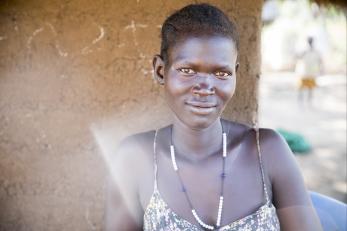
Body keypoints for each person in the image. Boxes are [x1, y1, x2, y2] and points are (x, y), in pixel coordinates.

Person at [105, 3, 322, 230]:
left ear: (235, 75)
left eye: (221, 73)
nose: (205, 86)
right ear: (161, 71)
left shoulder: (267, 151)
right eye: (187, 70)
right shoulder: (134, 158)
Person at [296, 36, 323, 104]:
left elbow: (320, 61)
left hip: (310, 72)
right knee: (303, 86)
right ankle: (303, 99)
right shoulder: (306, 51)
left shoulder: (314, 51)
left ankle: (308, 100)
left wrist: (320, 69)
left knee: (309, 87)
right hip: (306, 72)